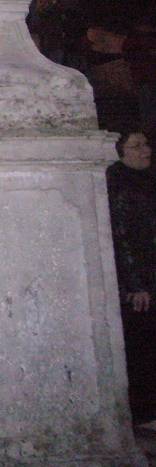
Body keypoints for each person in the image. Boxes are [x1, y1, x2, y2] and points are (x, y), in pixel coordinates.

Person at [107, 129, 156, 422]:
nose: (146, 150)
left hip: (148, 275)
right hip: (136, 285)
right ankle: (142, 413)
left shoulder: (145, 181)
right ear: (121, 151)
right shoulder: (120, 184)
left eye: (146, 144)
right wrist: (136, 285)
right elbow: (122, 235)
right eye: (137, 146)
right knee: (141, 346)